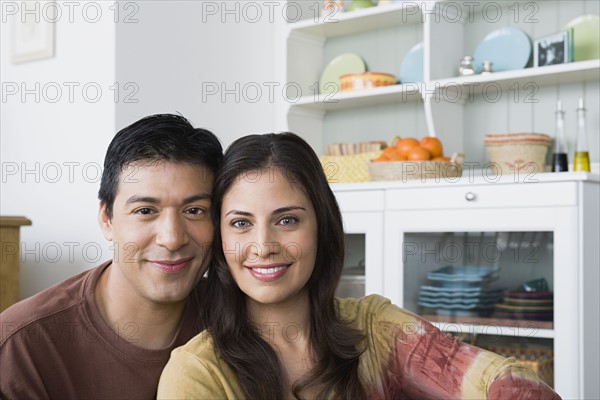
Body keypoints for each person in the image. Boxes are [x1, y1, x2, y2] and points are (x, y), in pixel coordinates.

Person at [157, 132, 561, 399]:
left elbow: (511, 383)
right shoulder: (197, 373)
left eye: (287, 220)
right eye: (241, 223)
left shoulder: (376, 328)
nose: (263, 246)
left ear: (322, 226)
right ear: (222, 238)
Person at [0, 114, 222, 399]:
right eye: (145, 211)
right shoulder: (22, 345)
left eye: (194, 211)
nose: (172, 238)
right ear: (107, 219)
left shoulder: (236, 317)